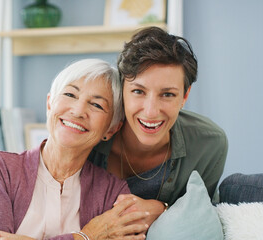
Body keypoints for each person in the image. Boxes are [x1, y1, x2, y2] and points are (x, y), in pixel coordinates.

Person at [0, 59, 150, 240]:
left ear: (111, 129)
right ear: (49, 104)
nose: (78, 111)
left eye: (96, 105)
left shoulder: (113, 193)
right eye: (70, 95)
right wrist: (87, 236)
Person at [88, 27, 228, 225]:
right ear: (122, 90)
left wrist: (162, 208)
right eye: (138, 91)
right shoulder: (89, 135)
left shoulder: (209, 144)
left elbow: (203, 220)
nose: (151, 111)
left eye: (168, 94)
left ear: (184, 96)